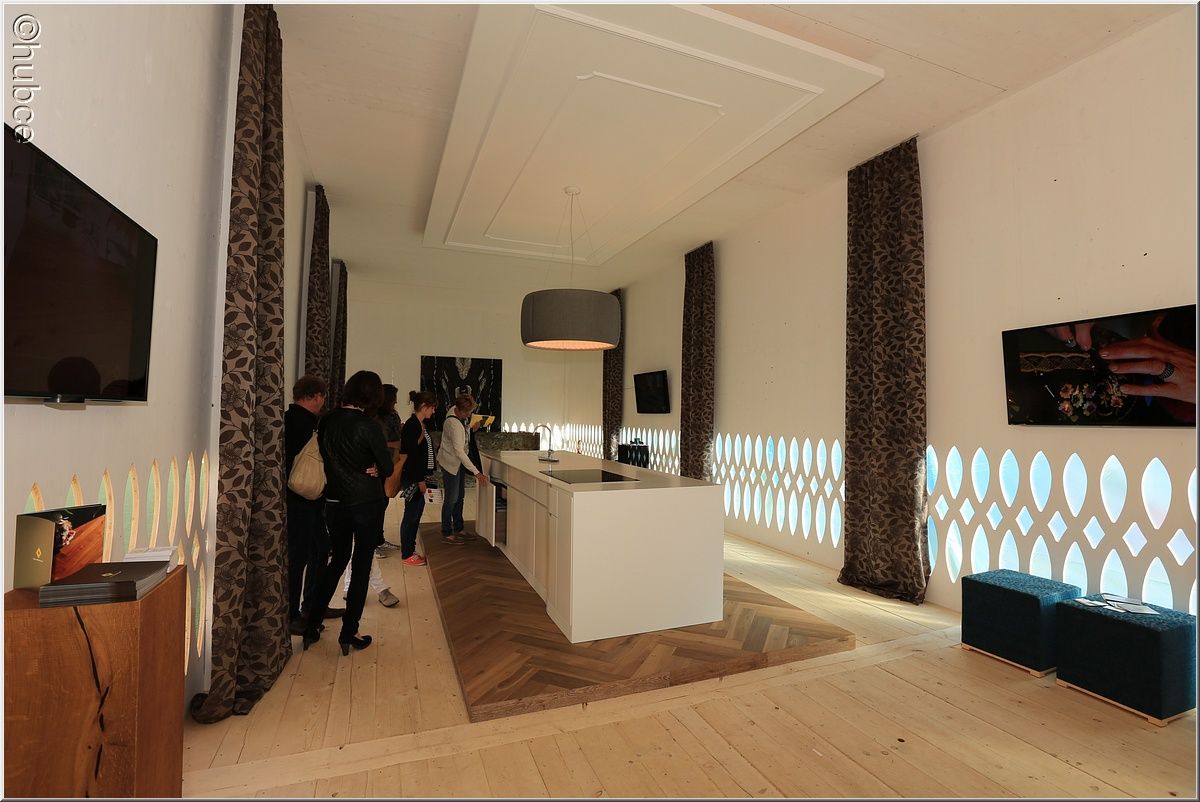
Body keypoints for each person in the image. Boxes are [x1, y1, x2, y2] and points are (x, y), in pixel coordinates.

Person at [302, 370, 394, 655]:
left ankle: (311, 624)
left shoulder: (326, 420)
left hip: (333, 502)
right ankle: (349, 632)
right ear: (373, 396)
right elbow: (388, 467)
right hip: (366, 502)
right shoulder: (369, 426)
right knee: (361, 564)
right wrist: (377, 467)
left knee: (337, 561)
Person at [284, 375, 341, 636]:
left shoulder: (286, 419)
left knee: (317, 550)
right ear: (316, 396)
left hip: (294, 496)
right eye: (322, 397)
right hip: (306, 499)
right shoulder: (311, 424)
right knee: (302, 556)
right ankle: (296, 614)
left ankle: (311, 606)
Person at [437, 394, 488, 544]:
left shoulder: (455, 411)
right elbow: (459, 451)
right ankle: (447, 532)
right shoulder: (454, 424)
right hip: (450, 463)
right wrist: (477, 472)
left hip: (457, 462)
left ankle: (459, 528)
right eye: (468, 412)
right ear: (460, 410)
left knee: (460, 497)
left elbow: (463, 438)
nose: (470, 415)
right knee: (451, 498)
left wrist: (470, 428)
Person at [396, 390, 439, 566]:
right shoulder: (413, 425)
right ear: (424, 406)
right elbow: (411, 456)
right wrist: (420, 480)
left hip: (418, 476)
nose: (433, 411)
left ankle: (410, 550)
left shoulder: (418, 424)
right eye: (432, 408)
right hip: (414, 477)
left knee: (415, 514)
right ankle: (407, 553)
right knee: (411, 515)